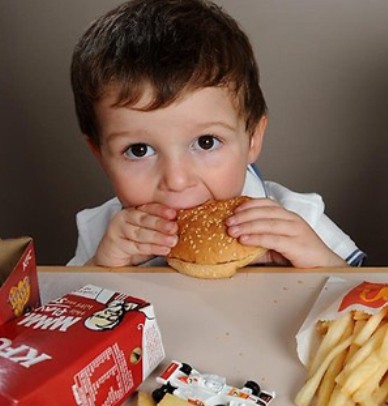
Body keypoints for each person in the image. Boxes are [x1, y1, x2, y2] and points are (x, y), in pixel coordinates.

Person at [68, 0, 365, 268]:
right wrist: (101, 269)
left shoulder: (298, 217)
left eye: (206, 142)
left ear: (252, 139)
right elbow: (59, 319)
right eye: (139, 150)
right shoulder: (102, 232)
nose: (177, 180)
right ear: (100, 155)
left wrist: (320, 264)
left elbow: (366, 300)